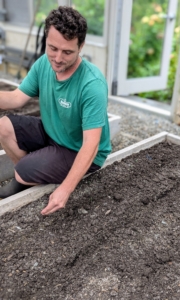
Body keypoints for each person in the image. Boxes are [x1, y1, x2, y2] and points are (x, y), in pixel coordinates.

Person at [0, 6, 111, 215]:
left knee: (23, 171)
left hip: (77, 148)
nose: (58, 58)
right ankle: (31, 175)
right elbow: (16, 98)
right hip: (55, 132)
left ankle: (27, 176)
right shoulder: (44, 64)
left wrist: (65, 190)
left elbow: (92, 144)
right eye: (52, 48)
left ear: (81, 46)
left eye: (67, 51)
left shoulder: (92, 84)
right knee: (3, 127)